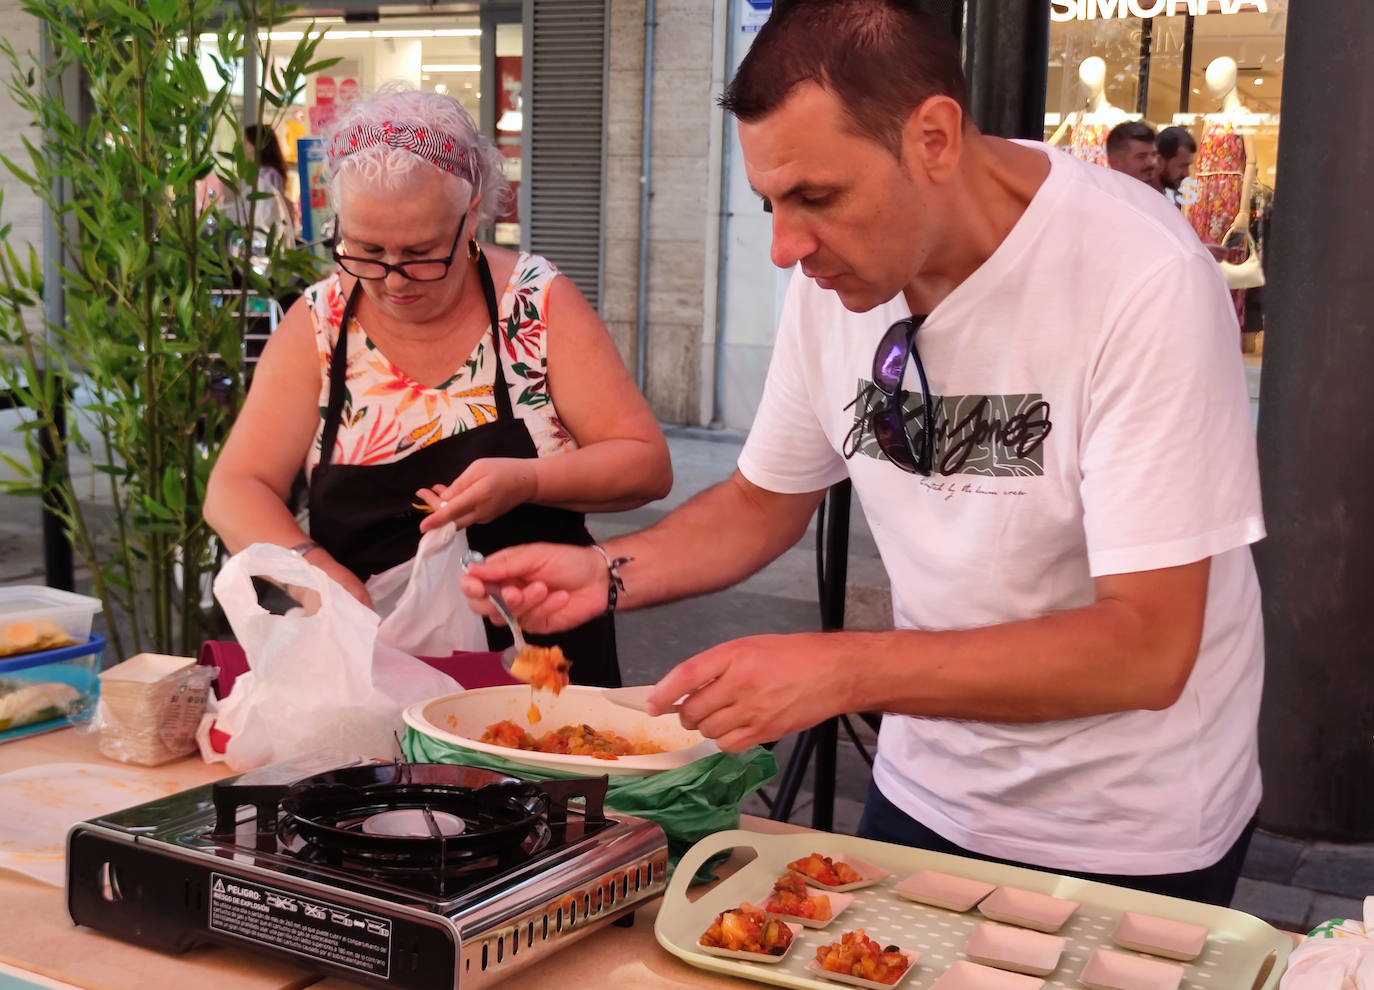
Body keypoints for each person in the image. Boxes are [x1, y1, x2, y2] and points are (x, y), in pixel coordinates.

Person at [463, 0, 1265, 905]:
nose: (784, 246)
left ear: (933, 137)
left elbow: (1148, 647)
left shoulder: (1141, 277)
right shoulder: (833, 281)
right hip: (925, 788)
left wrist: (842, 667)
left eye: (817, 196)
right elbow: (765, 498)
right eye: (769, 201)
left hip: (1129, 828)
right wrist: (604, 571)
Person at [205, 86, 672, 687]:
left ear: (472, 214)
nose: (394, 280)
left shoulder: (533, 305)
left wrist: (527, 480)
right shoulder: (319, 325)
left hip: (543, 671)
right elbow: (235, 487)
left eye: (422, 252)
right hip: (372, 672)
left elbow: (645, 464)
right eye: (366, 250)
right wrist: (314, 571)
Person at [1105, 120, 1160, 188]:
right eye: (1141, 156)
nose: (1152, 162)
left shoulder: (1161, 195)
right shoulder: (1099, 196)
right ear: (1115, 162)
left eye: (1154, 155)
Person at [1156, 125, 1198, 207]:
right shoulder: (1142, 195)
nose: (1186, 174)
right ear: (1160, 160)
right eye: (1182, 166)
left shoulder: (1173, 192)